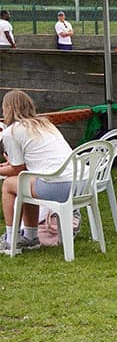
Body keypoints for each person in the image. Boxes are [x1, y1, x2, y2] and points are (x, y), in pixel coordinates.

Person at [0, 90, 72, 252]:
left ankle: (12, 240)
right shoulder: (46, 124)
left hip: (58, 185)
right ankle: (31, 237)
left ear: (7, 108)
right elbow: (23, 167)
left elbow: (18, 169)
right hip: (79, 184)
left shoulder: (11, 132)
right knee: (24, 183)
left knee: (8, 185)